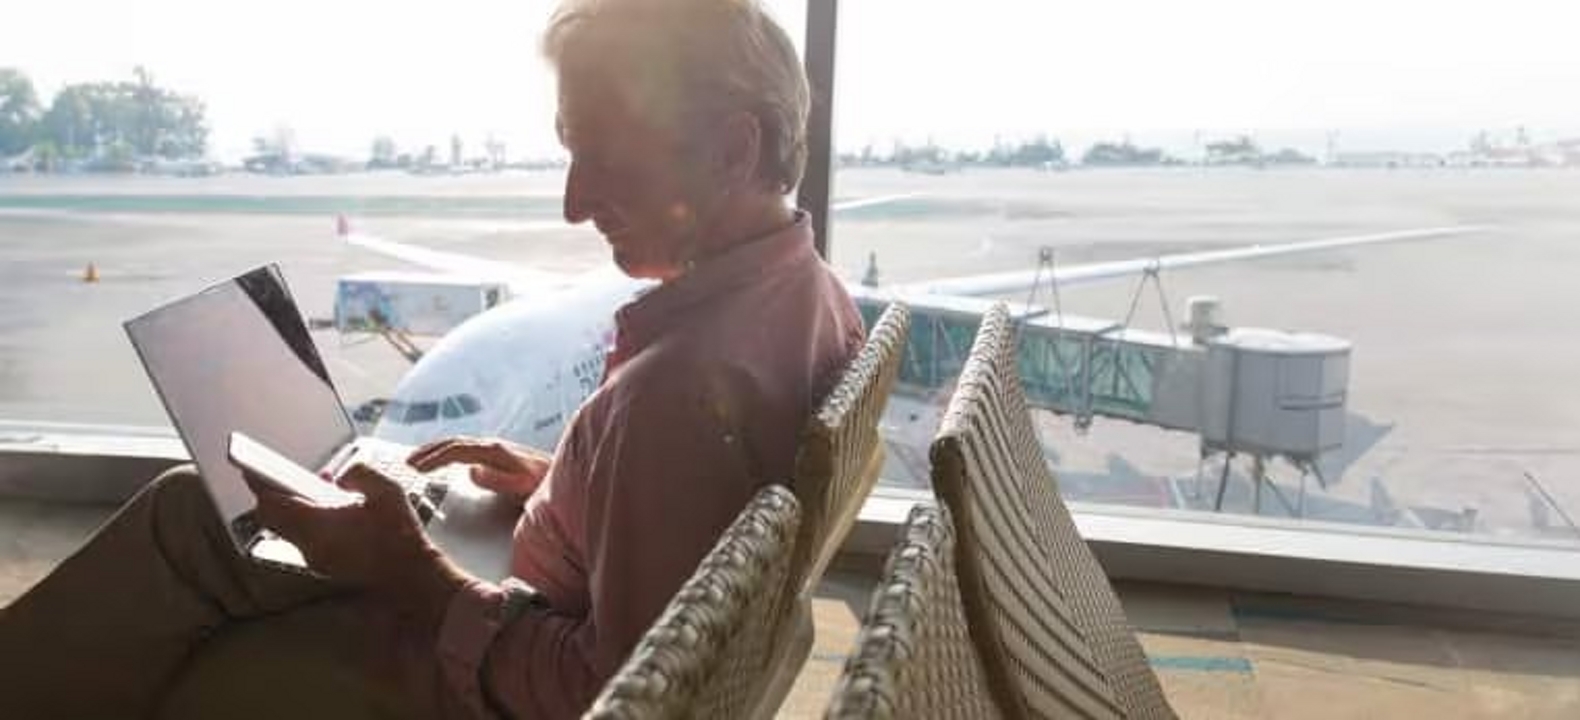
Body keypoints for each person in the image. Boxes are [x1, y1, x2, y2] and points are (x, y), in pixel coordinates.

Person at [0, 0, 864, 717]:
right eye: (571, 151)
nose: (572, 204)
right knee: (214, 511)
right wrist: (575, 487)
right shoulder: (814, 300)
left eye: (606, 157)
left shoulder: (678, 395)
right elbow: (690, 510)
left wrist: (405, 568)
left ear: (732, 150)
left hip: (494, 654)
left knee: (196, 520)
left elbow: (608, 696)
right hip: (546, 574)